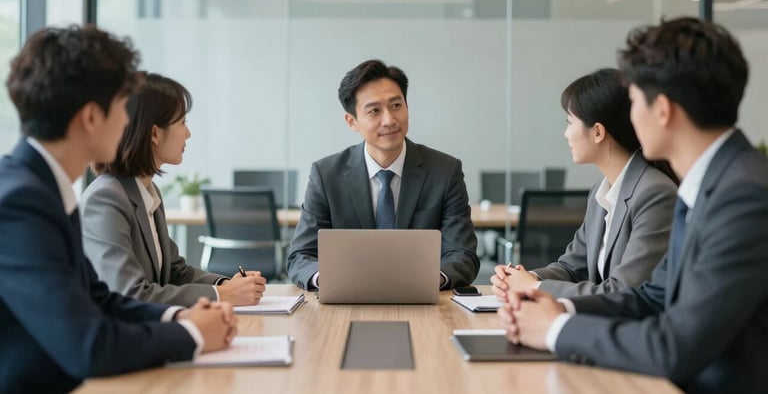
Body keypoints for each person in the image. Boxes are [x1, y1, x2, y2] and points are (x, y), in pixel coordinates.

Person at [498, 17, 768, 394]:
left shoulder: (744, 197)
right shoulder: (710, 184)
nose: (630, 116)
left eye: (635, 101)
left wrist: (556, 330)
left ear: (664, 110)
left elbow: (675, 345)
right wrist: (553, 309)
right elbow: (647, 297)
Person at [0, 26, 236, 393]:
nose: (129, 123)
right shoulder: (21, 203)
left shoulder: (43, 188)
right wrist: (190, 334)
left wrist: (180, 315)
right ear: (92, 117)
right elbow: (88, 346)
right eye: (123, 108)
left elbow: (101, 299)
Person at [287, 59, 479, 290]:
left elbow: (462, 254)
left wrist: (430, 279)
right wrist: (327, 280)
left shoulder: (445, 171)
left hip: (423, 300)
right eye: (374, 111)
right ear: (352, 122)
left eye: (396, 106)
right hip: (346, 299)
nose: (389, 120)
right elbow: (300, 255)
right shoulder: (327, 175)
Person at [80, 73, 267, 307]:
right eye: (182, 122)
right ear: (155, 133)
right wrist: (223, 296)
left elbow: (174, 272)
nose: (187, 133)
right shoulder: (106, 198)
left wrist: (225, 285)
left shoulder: (147, 191)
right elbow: (128, 293)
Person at [490, 68, 677, 298]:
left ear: (597, 132)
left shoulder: (654, 193)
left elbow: (624, 291)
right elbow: (571, 267)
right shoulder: (602, 192)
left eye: (570, 123)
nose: (566, 134)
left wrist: (534, 288)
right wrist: (526, 278)